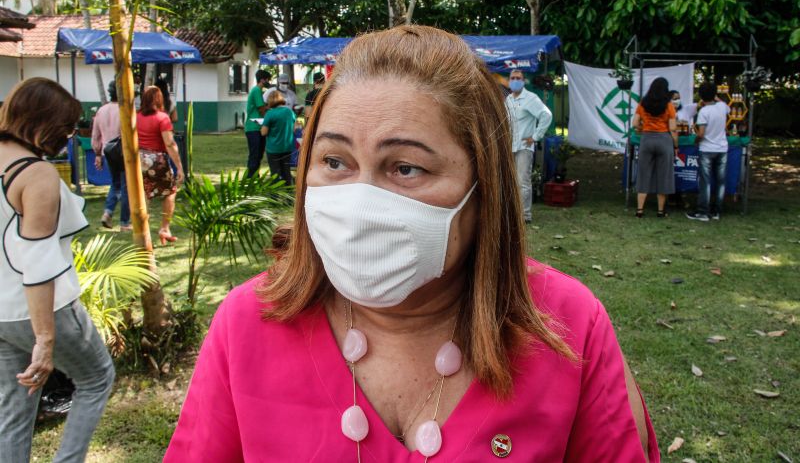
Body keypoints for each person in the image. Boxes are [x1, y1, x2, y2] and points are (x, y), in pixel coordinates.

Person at [165, 26, 658, 462]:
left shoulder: (569, 328)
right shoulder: (248, 324)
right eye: (335, 162)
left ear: (482, 188)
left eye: (406, 168)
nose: (360, 204)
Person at [0, 78, 115, 463]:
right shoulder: (36, 175)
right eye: (66, 128)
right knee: (96, 377)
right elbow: (37, 260)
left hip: (1, 312)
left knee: (15, 405)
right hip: (45, 308)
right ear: (44, 122)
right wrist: (44, 338)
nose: (68, 137)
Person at [137, 86, 185, 245]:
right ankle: (165, 227)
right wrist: (179, 166)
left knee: (144, 194)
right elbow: (170, 144)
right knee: (170, 191)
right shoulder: (162, 118)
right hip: (156, 159)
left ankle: (142, 228)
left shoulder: (135, 116)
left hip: (138, 159)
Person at [504, 69, 552, 223]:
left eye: (518, 78)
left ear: (524, 81)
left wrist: (536, 136)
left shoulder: (531, 98)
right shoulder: (508, 99)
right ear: (509, 80)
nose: (515, 80)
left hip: (524, 146)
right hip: (510, 146)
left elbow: (546, 115)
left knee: (522, 182)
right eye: (512, 78)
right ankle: (512, 213)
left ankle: (525, 215)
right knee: (510, 182)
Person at [632, 77, 677, 218]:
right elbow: (673, 129)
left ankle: (640, 210)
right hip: (664, 140)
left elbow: (634, 124)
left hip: (646, 139)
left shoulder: (643, 103)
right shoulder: (668, 105)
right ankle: (660, 211)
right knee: (663, 175)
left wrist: (643, 127)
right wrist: (675, 145)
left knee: (643, 174)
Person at [91, 80, 131, 231]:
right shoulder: (124, 110)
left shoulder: (101, 110)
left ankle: (108, 212)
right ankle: (124, 222)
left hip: (106, 152)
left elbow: (95, 135)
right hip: (122, 152)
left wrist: (97, 154)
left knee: (115, 183)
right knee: (126, 186)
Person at [687, 82, 730, 222]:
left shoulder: (704, 112)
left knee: (705, 181)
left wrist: (696, 141)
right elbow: (727, 107)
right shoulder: (722, 107)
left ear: (700, 95)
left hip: (706, 149)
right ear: (715, 94)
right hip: (722, 148)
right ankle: (716, 211)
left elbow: (701, 134)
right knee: (721, 181)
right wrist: (716, 97)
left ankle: (703, 212)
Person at [261, 90, 296, 186]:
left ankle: (276, 196)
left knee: (275, 173)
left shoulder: (270, 114)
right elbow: (294, 129)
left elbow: (264, 132)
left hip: (273, 149)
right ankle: (289, 196)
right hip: (287, 147)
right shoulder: (290, 112)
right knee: (286, 172)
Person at [245, 69, 270, 177]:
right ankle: (251, 176)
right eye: (268, 79)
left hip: (258, 127)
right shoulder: (256, 91)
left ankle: (255, 175)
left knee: (259, 154)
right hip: (253, 127)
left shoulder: (259, 91)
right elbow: (261, 108)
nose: (269, 82)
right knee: (255, 154)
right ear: (262, 80)